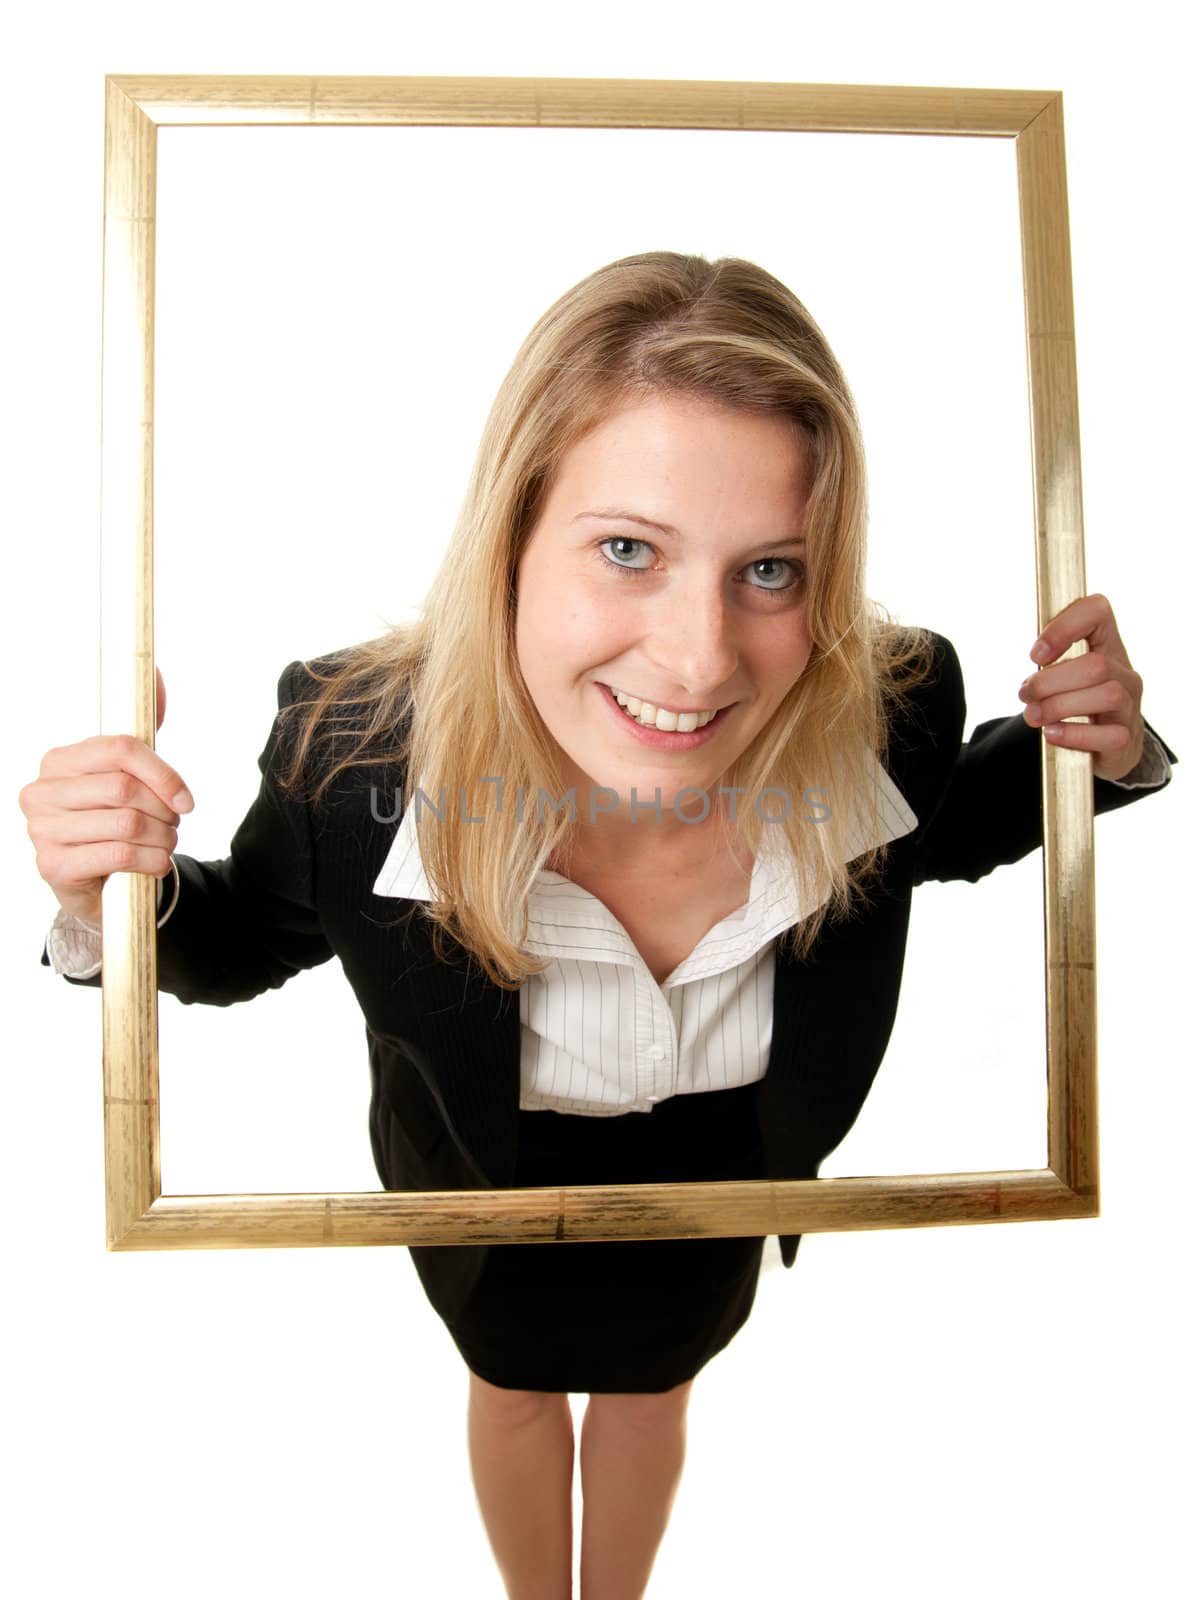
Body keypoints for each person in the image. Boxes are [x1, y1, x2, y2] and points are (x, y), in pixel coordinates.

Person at [21, 252, 1176, 1600]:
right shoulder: (353, 755)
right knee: (508, 1389)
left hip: (721, 1176)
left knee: (652, 1393)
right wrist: (105, 890)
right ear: (512, 534)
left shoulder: (889, 704)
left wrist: (1097, 751)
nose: (696, 659)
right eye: (626, 548)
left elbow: (964, 814)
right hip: (478, 1184)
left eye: (770, 571)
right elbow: (229, 945)